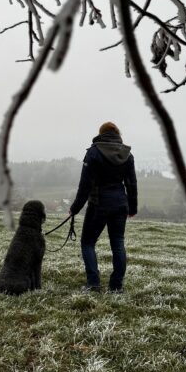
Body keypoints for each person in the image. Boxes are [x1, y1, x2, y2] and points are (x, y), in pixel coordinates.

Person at [69, 122, 137, 293]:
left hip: (98, 204)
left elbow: (85, 185)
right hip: (120, 204)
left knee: (88, 242)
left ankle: (93, 284)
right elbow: (131, 184)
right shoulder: (127, 155)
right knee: (118, 244)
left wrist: (75, 208)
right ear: (117, 134)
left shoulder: (93, 153)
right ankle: (116, 286)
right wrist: (132, 207)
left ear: (101, 133)